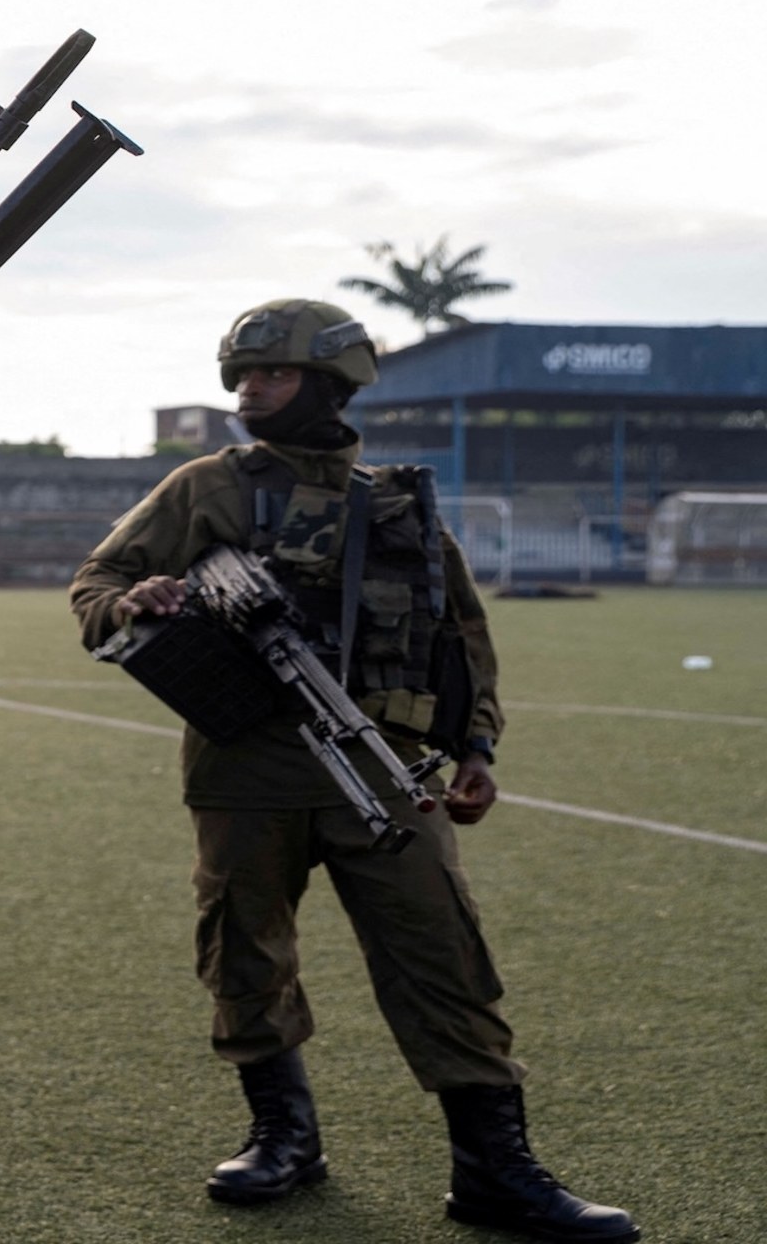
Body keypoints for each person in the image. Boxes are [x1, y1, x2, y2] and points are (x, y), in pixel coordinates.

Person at [69, 299, 639, 1243]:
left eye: (273, 374)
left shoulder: (395, 499)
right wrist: (137, 597)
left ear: (331, 385)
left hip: (385, 768)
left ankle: (493, 1168)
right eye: (242, 377)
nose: (250, 390)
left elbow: (458, 634)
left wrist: (479, 746)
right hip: (245, 766)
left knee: (443, 954)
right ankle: (283, 1137)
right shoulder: (205, 486)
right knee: (246, 952)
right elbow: (94, 586)